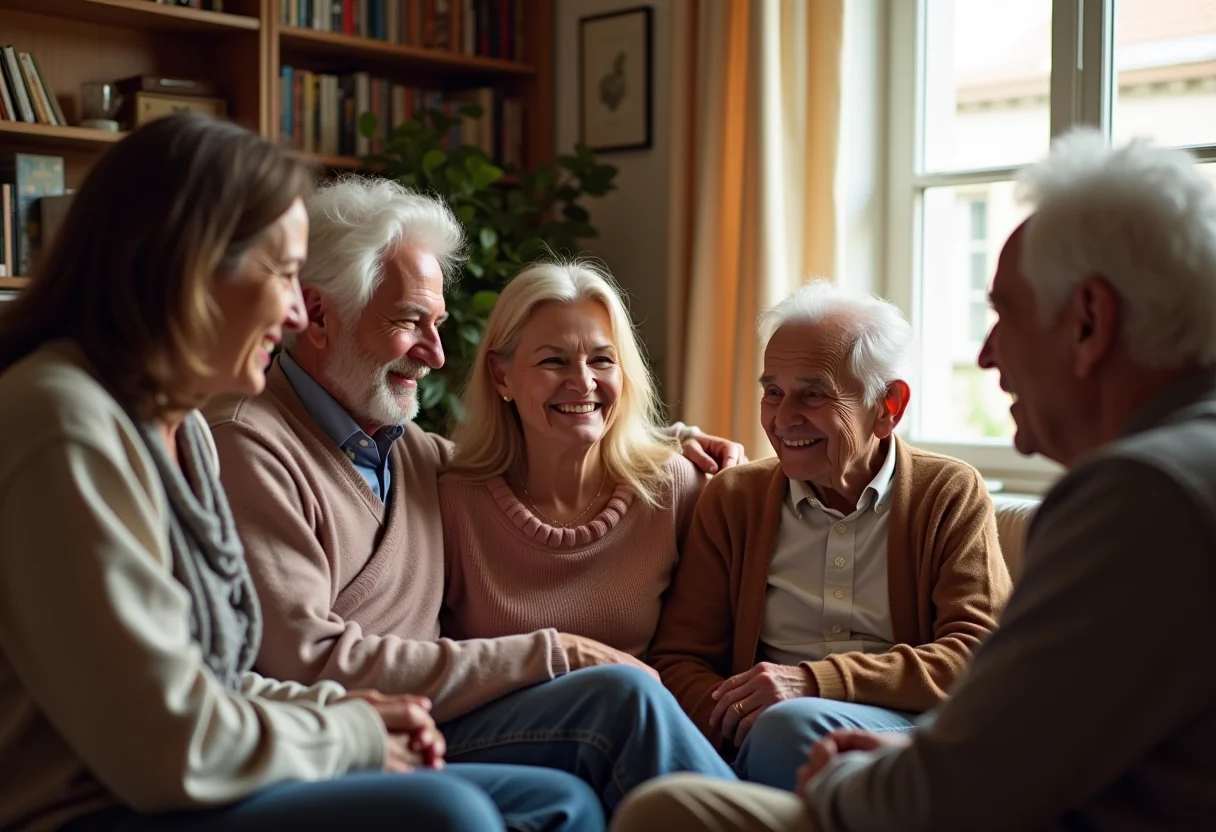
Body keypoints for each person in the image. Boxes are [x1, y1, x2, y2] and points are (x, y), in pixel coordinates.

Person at [0, 114, 602, 832]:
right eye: (284, 274)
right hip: (92, 810)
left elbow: (216, 681)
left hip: (186, 776)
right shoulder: (65, 425)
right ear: (192, 266)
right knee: (447, 812)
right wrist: (350, 735)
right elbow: (166, 744)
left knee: (557, 801)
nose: (292, 312)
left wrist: (349, 714)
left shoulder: (176, 423)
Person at [611, 130, 1216, 831]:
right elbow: (1044, 736)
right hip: (880, 754)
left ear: (1089, 322)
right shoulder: (1178, 470)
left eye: (1003, 314)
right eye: (770, 392)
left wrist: (850, 776)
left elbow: (977, 770)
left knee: (668, 813)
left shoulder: (1141, 496)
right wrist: (907, 754)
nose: (987, 354)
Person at [204, 176, 740, 814]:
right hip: (347, 732)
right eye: (410, 322)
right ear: (318, 316)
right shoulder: (249, 442)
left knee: (566, 801)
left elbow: (540, 444)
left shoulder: (410, 451)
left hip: (442, 717)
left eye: (438, 323)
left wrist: (665, 443)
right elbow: (303, 662)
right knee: (620, 698)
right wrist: (554, 652)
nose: (433, 354)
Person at [648, 279, 1011, 791]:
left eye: (813, 394)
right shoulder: (734, 498)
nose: (782, 418)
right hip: (756, 735)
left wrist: (813, 683)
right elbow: (680, 658)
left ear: (889, 406)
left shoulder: (948, 491)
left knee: (790, 725)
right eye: (772, 392)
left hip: (902, 726)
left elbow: (978, 653)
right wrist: (738, 717)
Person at [439, 259, 703, 666]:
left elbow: (694, 657)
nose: (583, 382)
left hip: (632, 721)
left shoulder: (672, 489)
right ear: (500, 376)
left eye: (602, 360)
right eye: (553, 361)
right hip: (501, 726)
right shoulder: (452, 502)